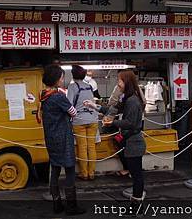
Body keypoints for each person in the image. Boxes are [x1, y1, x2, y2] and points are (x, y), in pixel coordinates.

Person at [85, 69, 146, 207]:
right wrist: (94, 106)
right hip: (131, 142)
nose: (118, 83)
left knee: (137, 175)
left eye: (120, 80)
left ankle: (136, 204)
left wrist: (112, 122)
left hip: (135, 143)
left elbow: (130, 123)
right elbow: (112, 110)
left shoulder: (132, 101)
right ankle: (137, 201)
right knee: (136, 174)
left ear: (127, 82)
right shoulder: (127, 98)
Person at [39, 64, 85, 215]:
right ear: (57, 79)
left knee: (55, 170)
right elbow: (73, 112)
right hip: (63, 138)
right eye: (61, 76)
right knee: (70, 170)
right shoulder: (58, 96)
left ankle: (57, 204)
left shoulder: (44, 94)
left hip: (51, 138)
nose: (62, 79)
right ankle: (71, 206)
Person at [67, 65, 99, 180]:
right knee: (91, 146)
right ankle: (92, 173)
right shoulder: (89, 86)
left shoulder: (72, 87)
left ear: (73, 74)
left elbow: (69, 104)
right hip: (92, 118)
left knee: (82, 147)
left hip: (79, 120)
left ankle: (84, 173)